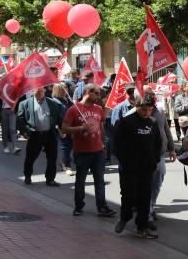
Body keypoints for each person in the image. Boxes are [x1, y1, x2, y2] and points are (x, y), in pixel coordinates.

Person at [61, 83, 116, 218]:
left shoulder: (98, 109)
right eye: (96, 93)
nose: (98, 96)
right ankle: (79, 206)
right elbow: (64, 129)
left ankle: (102, 207)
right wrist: (80, 128)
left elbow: (101, 127)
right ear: (88, 92)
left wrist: (103, 144)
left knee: (99, 180)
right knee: (80, 180)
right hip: (82, 152)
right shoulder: (74, 110)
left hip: (97, 151)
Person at [113, 94, 161, 239]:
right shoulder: (126, 122)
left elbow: (157, 144)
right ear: (136, 107)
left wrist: (155, 161)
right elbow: (117, 145)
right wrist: (125, 162)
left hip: (147, 168)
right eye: (143, 110)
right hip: (129, 168)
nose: (146, 113)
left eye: (149, 110)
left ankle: (142, 226)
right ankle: (124, 218)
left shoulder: (152, 123)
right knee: (128, 195)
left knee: (145, 198)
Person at [141, 86, 176, 227]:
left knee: (157, 182)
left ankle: (150, 207)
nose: (152, 96)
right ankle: (146, 212)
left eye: (152, 94)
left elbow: (166, 130)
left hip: (160, 154)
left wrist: (172, 148)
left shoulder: (160, 112)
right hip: (144, 156)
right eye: (148, 94)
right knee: (145, 185)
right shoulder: (137, 114)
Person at [17, 86, 64, 186]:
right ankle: (28, 176)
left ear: (44, 91)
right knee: (30, 158)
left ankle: (50, 179)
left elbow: (59, 118)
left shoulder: (53, 103)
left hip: (50, 134)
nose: (39, 94)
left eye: (41, 92)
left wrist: (62, 129)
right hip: (34, 134)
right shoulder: (24, 104)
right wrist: (24, 131)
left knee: (52, 158)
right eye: (37, 92)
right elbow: (20, 119)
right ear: (33, 92)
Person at [51, 83, 75, 175]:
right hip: (62, 128)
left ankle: (63, 162)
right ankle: (67, 165)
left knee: (71, 146)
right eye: (64, 88)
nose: (66, 89)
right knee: (66, 147)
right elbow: (55, 118)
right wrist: (59, 130)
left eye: (66, 87)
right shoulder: (55, 102)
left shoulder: (68, 100)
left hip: (71, 126)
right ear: (58, 90)